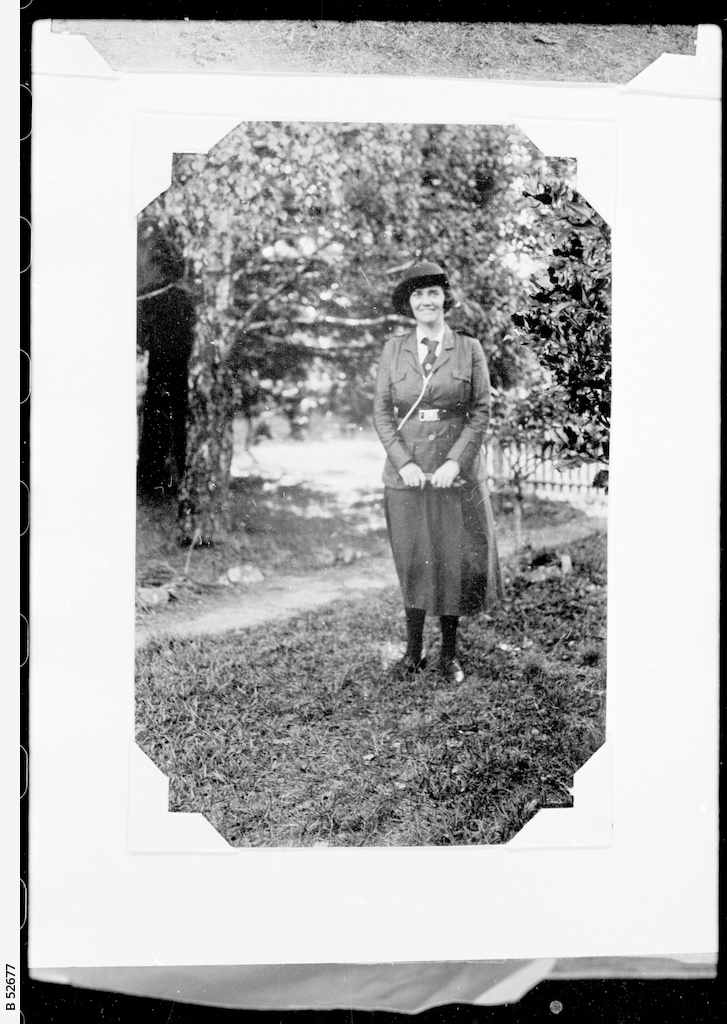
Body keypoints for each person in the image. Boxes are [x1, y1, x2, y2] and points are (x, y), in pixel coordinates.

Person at [373, 260, 503, 683]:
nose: (426, 301)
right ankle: (412, 652)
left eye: (433, 293)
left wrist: (454, 462)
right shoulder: (394, 349)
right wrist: (404, 462)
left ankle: (448, 654)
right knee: (413, 558)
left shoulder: (469, 348)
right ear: (408, 304)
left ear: (445, 299)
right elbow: (381, 412)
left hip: (455, 471)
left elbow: (481, 411)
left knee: (451, 558)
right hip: (407, 472)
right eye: (417, 295)